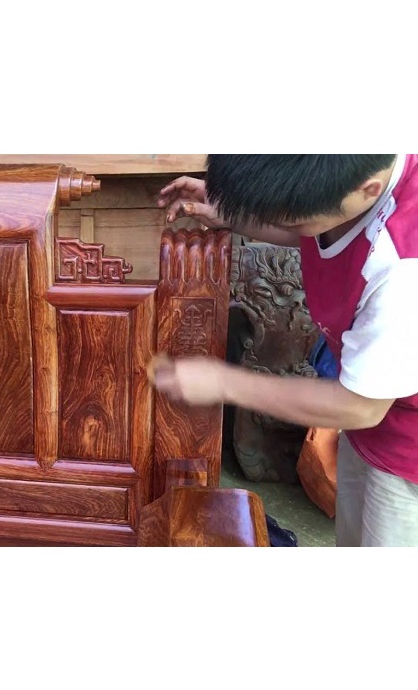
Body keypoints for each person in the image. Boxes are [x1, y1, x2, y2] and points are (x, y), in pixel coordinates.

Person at [154, 155, 418, 547]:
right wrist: (237, 208)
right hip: (369, 429)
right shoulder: (349, 174)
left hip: (406, 453)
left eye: (292, 218)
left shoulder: (403, 269)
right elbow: (314, 227)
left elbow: (361, 407)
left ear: (368, 191)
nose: (293, 226)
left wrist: (224, 383)